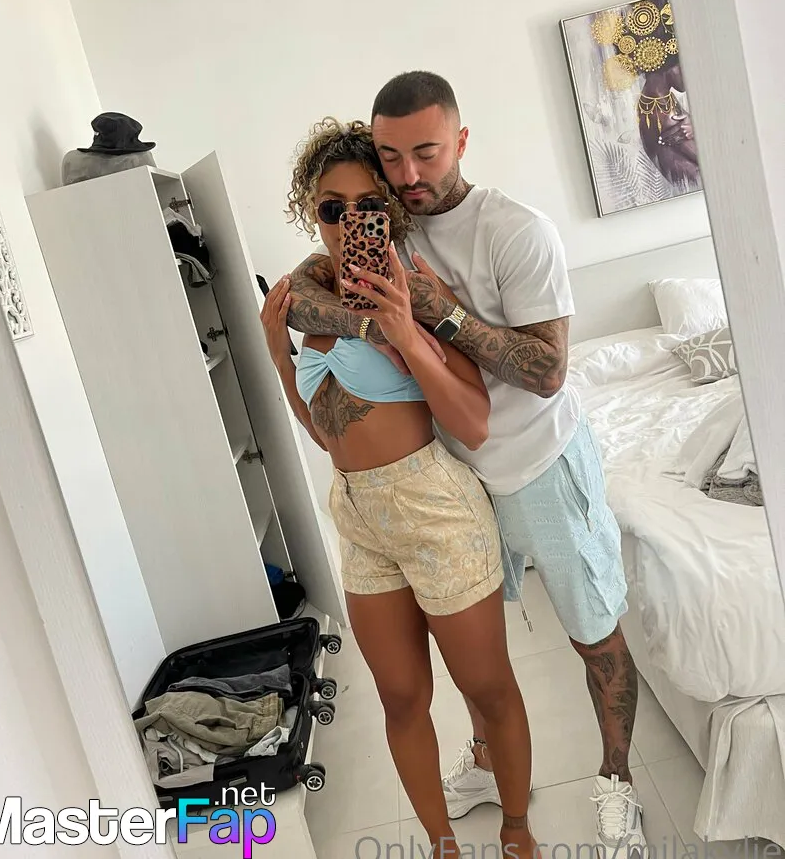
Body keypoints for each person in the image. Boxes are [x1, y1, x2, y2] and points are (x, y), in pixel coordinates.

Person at [283, 74, 646, 859]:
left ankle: (617, 782)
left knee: (591, 635)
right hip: (449, 470)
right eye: (392, 157)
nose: (409, 174)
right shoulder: (387, 223)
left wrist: (435, 311)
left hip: (536, 463)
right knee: (475, 662)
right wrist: (352, 318)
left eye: (427, 152)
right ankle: (485, 764)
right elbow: (304, 294)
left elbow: (547, 372)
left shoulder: (515, 231)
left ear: (461, 141)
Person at [260, 117, 537, 859]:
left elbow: (473, 419)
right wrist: (279, 357)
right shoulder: (307, 306)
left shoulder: (417, 292)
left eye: (367, 206)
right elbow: (327, 433)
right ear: (311, 212)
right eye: (331, 208)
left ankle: (517, 832)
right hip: (357, 516)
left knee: (486, 687)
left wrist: (407, 333)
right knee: (402, 699)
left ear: (390, 212)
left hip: (435, 507)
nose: (348, 221)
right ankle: (443, 845)